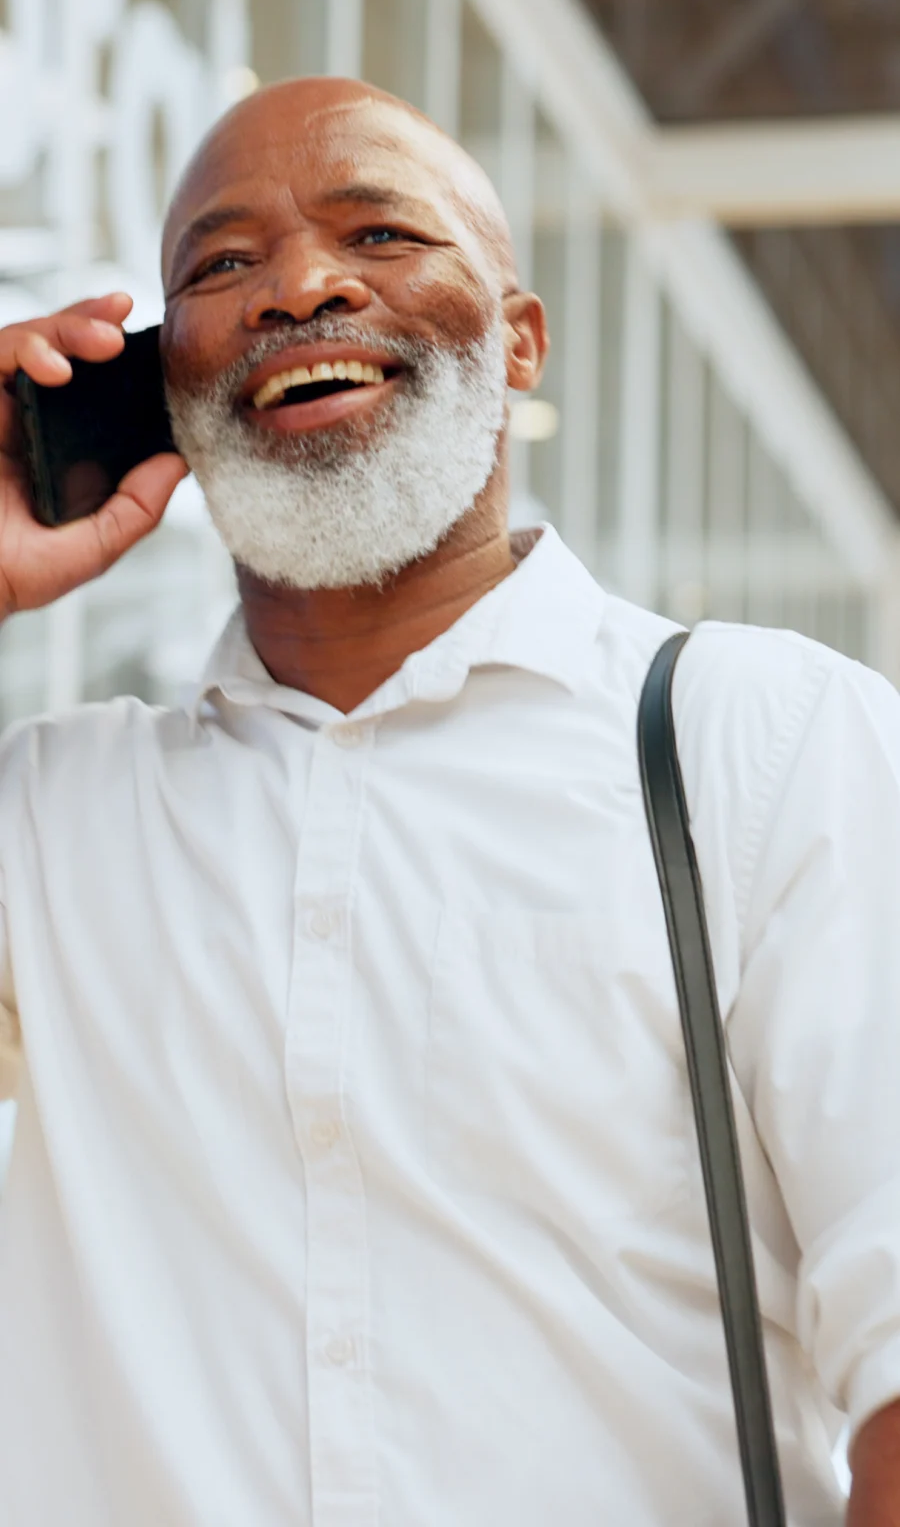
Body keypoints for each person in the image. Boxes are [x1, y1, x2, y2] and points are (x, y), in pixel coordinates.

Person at [0, 76, 897, 1527]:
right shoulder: (50, 822)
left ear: (520, 338)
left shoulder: (764, 745)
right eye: (221, 266)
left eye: (380, 230)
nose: (300, 285)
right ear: (160, 386)